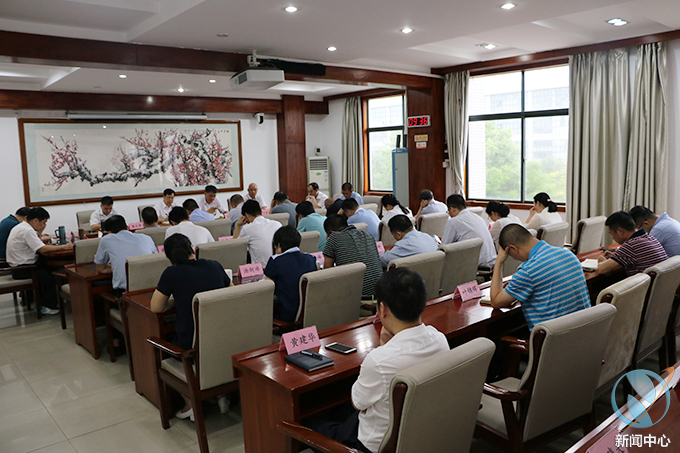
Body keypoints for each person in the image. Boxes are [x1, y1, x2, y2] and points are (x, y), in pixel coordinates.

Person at [304, 268, 449, 452]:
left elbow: (357, 402)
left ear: (383, 308)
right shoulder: (439, 340)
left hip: (373, 445)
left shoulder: (379, 361)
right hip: (419, 432)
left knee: (309, 425)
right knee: (339, 413)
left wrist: (382, 348)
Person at [150, 233, 232, 420]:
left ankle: (190, 404)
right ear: (192, 249)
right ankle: (221, 394)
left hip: (191, 345)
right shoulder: (214, 265)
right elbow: (231, 292)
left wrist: (179, 300)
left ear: (170, 258)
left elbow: (156, 307)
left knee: (166, 350)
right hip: (221, 340)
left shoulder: (171, 273)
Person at [490, 224, 591, 330]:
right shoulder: (568, 254)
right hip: (585, 331)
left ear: (513, 249)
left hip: (556, 337)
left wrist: (499, 262)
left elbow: (496, 301)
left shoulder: (528, 270)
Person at [6, 207, 74, 315]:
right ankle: (47, 306)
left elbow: (37, 243)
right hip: (24, 269)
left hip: (18, 267)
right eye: (44, 222)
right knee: (52, 277)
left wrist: (39, 232)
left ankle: (47, 299)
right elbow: (42, 249)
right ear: (35, 220)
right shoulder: (27, 230)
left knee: (51, 267)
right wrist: (64, 247)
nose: (44, 225)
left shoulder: (21, 226)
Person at [264, 226, 318, 322]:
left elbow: (266, 289)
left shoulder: (275, 261)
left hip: (286, 316)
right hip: (309, 315)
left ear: (279, 245)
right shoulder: (311, 259)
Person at [94, 215, 157, 296]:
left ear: (108, 232)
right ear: (127, 227)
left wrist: (121, 267)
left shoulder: (106, 240)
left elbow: (100, 269)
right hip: (152, 289)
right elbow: (155, 262)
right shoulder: (146, 238)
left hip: (125, 293)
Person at [323, 214, 383, 298]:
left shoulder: (334, 237)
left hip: (357, 297)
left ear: (330, 232)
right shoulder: (367, 235)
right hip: (381, 292)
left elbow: (327, 271)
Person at [597, 211, 668, 276]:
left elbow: (601, 269)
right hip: (660, 283)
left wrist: (601, 260)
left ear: (620, 231)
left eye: (612, 234)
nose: (613, 238)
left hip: (645, 285)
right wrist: (616, 258)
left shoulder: (630, 245)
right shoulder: (650, 238)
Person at [442, 194, 497, 268]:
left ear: (452, 209)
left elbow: (444, 248)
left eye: (448, 211)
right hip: (492, 260)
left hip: (478, 264)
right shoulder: (478, 217)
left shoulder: (453, 221)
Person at [234, 200, 282, 267]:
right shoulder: (277, 224)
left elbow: (235, 247)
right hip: (280, 265)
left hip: (262, 270)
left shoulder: (247, 228)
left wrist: (237, 226)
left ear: (246, 215)